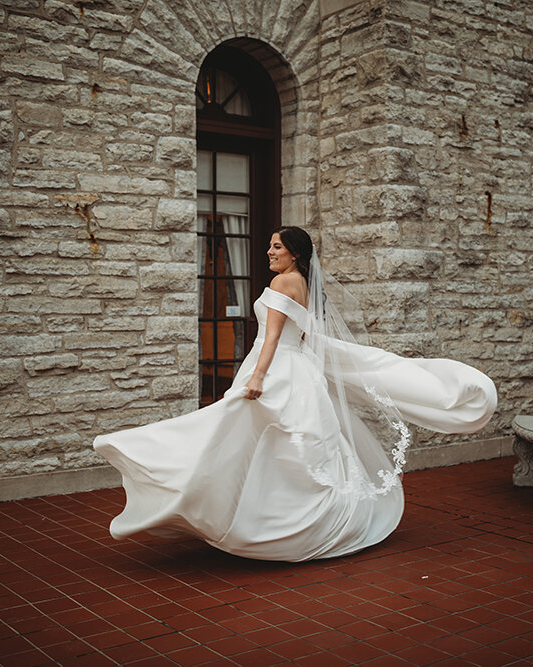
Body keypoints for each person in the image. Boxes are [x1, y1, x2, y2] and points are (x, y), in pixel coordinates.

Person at [93, 226, 497, 562]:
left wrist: (257, 377)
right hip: (294, 368)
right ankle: (254, 511)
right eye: (270, 245)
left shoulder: (283, 281)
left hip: (277, 369)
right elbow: (303, 336)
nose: (270, 251)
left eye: (277, 246)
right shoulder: (303, 282)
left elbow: (271, 337)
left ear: (294, 253)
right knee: (270, 442)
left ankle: (224, 505)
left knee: (236, 435)